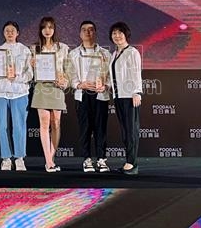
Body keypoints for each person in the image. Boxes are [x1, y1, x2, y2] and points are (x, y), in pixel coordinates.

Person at [68, 21, 112, 173]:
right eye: (84, 30)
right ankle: (86, 159)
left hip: (100, 95)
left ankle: (101, 159)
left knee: (101, 128)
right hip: (82, 95)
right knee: (85, 128)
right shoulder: (73, 54)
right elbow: (71, 75)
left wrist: (105, 86)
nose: (88, 32)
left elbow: (110, 76)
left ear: (95, 32)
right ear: (80, 33)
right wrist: (79, 85)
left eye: (91, 30)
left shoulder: (105, 53)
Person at [0, 21, 33, 172]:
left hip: (19, 92)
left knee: (19, 126)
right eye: (7, 30)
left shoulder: (25, 50)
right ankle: (6, 158)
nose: (9, 33)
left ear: (17, 33)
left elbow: (30, 74)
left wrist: (17, 78)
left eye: (12, 30)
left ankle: (19, 158)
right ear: (3, 33)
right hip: (1, 93)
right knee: (3, 126)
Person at [29, 17, 70, 172]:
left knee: (56, 123)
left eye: (50, 27)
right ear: (40, 30)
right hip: (42, 88)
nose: (47, 30)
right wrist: (31, 65)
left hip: (57, 88)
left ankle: (51, 159)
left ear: (54, 29)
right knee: (44, 124)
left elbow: (68, 70)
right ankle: (48, 161)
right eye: (44, 27)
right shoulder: (34, 48)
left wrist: (64, 81)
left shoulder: (63, 48)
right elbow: (29, 74)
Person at [109, 21, 143, 175]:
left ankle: (132, 163)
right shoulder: (114, 54)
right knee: (125, 130)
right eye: (114, 33)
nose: (117, 36)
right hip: (118, 96)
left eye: (120, 33)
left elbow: (136, 73)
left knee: (131, 130)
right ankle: (128, 161)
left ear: (126, 34)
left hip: (130, 96)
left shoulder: (132, 52)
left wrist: (137, 92)